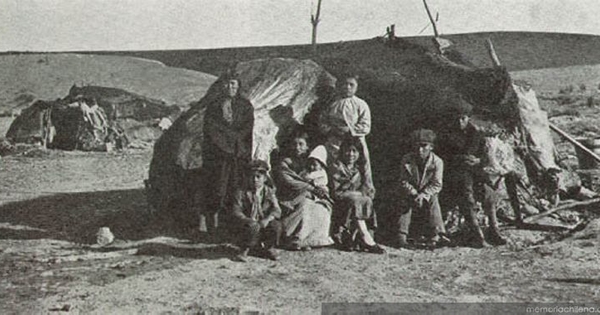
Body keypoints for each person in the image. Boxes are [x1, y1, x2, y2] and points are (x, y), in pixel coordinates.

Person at [437, 99, 507, 247]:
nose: (459, 121)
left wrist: (478, 161)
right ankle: (477, 234)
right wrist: (459, 159)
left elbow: (485, 157)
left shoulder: (475, 134)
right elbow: (442, 158)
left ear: (468, 118)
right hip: (456, 173)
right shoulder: (446, 136)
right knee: (466, 193)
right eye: (456, 118)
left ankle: (494, 230)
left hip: (475, 172)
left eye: (463, 118)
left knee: (489, 194)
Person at [202, 71, 254, 237]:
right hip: (220, 155)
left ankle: (235, 226)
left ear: (238, 86)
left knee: (237, 189)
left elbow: (247, 129)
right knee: (218, 189)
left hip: (239, 155)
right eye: (227, 84)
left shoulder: (245, 106)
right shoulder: (213, 106)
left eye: (233, 84)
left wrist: (237, 144)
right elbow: (212, 130)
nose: (230, 87)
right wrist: (226, 146)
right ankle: (213, 228)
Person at [274, 131, 334, 251]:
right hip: (289, 195)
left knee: (321, 207)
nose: (297, 147)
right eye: (294, 144)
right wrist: (311, 188)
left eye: (301, 144)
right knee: (305, 204)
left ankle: (309, 240)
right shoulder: (285, 162)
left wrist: (320, 191)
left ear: (307, 147)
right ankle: (291, 238)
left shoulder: (310, 162)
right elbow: (289, 182)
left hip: (310, 194)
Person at [319, 73, 374, 191]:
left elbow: (366, 126)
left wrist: (350, 131)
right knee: (335, 168)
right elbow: (322, 123)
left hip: (355, 142)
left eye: (351, 84)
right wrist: (333, 130)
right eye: (345, 84)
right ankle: (336, 194)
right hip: (335, 142)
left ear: (357, 87)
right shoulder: (331, 104)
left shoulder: (361, 104)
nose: (347, 87)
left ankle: (363, 192)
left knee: (361, 168)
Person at [330, 136, 385, 254]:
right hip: (340, 201)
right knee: (358, 200)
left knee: (366, 200)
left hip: (356, 201)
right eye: (348, 150)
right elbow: (336, 192)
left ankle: (355, 237)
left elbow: (366, 188)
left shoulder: (359, 169)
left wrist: (362, 193)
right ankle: (366, 238)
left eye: (354, 151)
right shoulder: (337, 167)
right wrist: (356, 194)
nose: (351, 154)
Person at [396, 129, 446, 248]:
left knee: (434, 199)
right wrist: (413, 193)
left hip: (427, 193)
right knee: (404, 199)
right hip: (412, 191)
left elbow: (437, 184)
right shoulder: (407, 159)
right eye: (417, 146)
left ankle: (437, 234)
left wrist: (423, 194)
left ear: (431, 147)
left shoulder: (437, 162)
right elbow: (403, 180)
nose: (420, 150)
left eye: (424, 146)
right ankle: (402, 234)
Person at [232, 160, 282, 262]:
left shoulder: (269, 192)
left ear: (264, 178)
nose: (255, 180)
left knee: (276, 225)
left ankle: (269, 247)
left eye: (258, 176)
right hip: (247, 224)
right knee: (251, 227)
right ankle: (244, 249)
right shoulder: (241, 192)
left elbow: (277, 209)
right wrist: (247, 220)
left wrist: (268, 219)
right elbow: (236, 210)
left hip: (263, 222)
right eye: (252, 177)